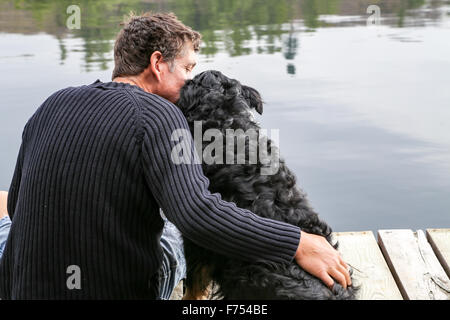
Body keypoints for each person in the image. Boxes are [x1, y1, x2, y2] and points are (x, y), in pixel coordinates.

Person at [0, 12, 350, 299]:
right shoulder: (159, 114)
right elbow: (198, 215)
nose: (189, 82)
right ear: (157, 64)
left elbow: (17, 206)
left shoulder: (53, 103)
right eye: (186, 69)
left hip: (21, 287)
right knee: (171, 228)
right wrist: (297, 242)